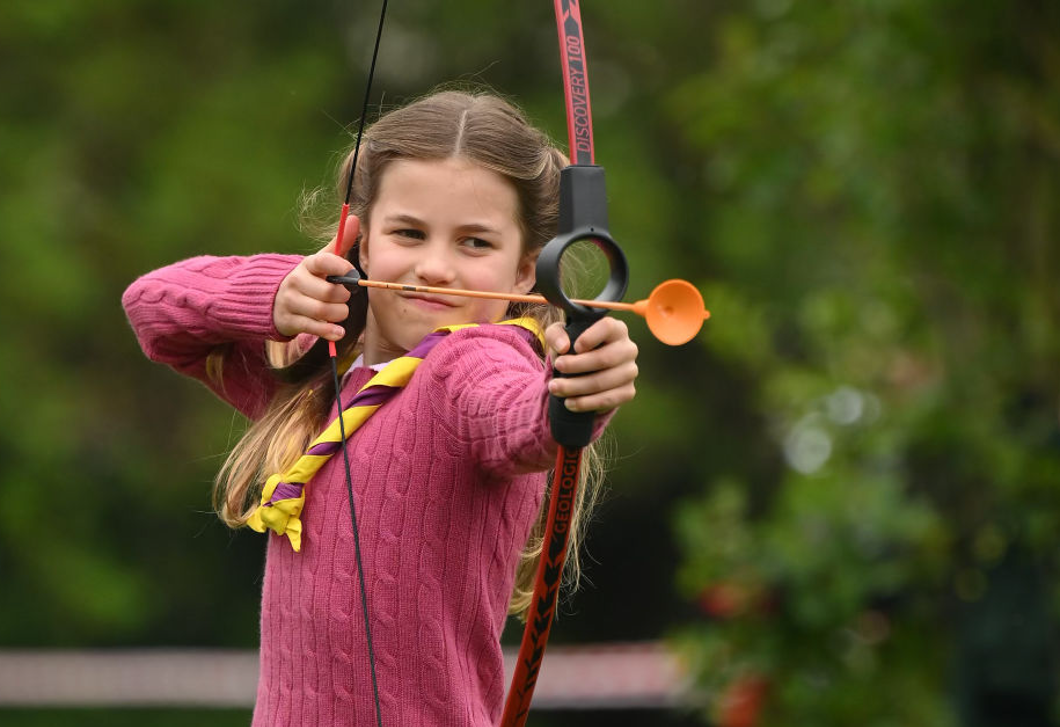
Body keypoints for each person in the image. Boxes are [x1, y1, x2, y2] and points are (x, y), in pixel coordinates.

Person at [122, 90, 638, 726]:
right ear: (359, 241)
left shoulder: (470, 366)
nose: (435, 267)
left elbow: (520, 419)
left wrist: (578, 390)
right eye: (408, 232)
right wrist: (280, 294)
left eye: (475, 243)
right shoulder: (315, 370)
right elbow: (153, 308)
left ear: (528, 268)